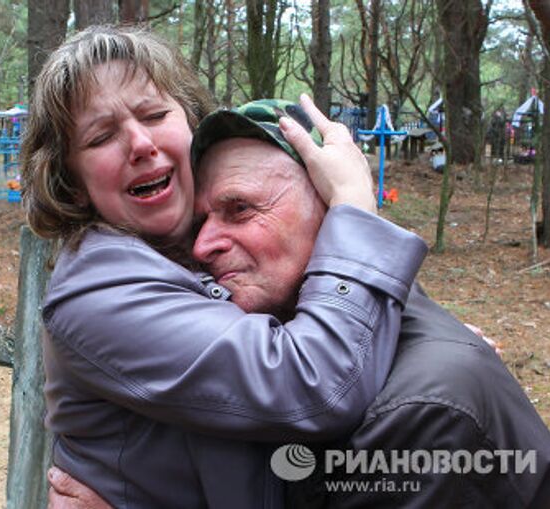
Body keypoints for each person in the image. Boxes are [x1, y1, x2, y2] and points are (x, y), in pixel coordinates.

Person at [47, 100, 550, 508]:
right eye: (201, 223)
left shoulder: (415, 417)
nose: (201, 248)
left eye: (240, 209)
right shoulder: (321, 327)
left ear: (334, 217)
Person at [21, 25, 426, 508]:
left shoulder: (199, 233)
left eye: (154, 114)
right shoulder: (97, 292)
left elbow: (331, 291)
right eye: (102, 136)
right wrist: (354, 208)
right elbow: (313, 384)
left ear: (191, 122)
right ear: (74, 182)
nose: (139, 144)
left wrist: (420, 337)